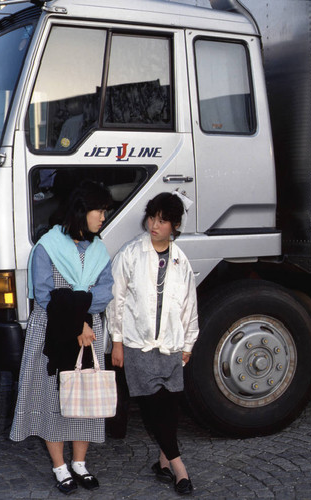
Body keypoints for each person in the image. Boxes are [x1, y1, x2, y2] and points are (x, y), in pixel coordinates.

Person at [10, 181, 114, 495]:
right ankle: (59, 466)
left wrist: (80, 312)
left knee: (85, 396)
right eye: (100, 211)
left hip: (88, 332)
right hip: (51, 331)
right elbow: (44, 295)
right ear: (82, 211)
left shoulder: (99, 249)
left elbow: (105, 293)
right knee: (52, 397)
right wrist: (79, 319)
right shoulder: (48, 246)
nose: (103, 218)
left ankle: (80, 463)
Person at [106, 191, 199, 496]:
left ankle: (162, 463)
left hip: (171, 344)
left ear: (175, 225)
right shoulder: (130, 253)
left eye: (162, 220)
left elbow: (189, 305)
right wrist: (117, 342)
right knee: (153, 406)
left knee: (170, 406)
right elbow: (115, 301)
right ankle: (180, 468)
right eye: (152, 217)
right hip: (137, 344)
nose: (154, 225)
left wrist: (188, 344)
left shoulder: (180, 260)